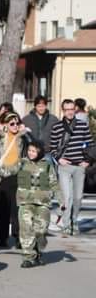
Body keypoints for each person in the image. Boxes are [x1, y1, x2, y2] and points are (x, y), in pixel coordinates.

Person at [0, 140, 56, 268]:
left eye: (34, 151)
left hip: (43, 203)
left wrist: (62, 201)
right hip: (25, 202)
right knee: (26, 229)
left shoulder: (47, 166)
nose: (31, 153)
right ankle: (28, 257)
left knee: (41, 231)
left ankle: (38, 251)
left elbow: (54, 184)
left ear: (40, 152)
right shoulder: (22, 163)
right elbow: (8, 171)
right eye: (29, 150)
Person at [48, 98, 93, 236]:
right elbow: (52, 147)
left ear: (75, 109)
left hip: (80, 166)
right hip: (64, 167)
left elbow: (90, 144)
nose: (69, 112)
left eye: (72, 109)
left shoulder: (82, 125)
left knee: (78, 198)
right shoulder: (57, 127)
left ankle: (74, 221)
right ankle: (67, 224)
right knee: (66, 197)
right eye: (67, 109)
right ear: (63, 110)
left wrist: (88, 161)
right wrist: (59, 159)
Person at [0, 112, 29, 248]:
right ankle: (2, 237)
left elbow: (34, 147)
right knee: (1, 208)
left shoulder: (23, 138)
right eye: (12, 124)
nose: (15, 126)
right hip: (1, 175)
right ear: (6, 125)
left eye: (17, 123)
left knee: (17, 209)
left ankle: (18, 237)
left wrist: (25, 131)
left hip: (17, 174)